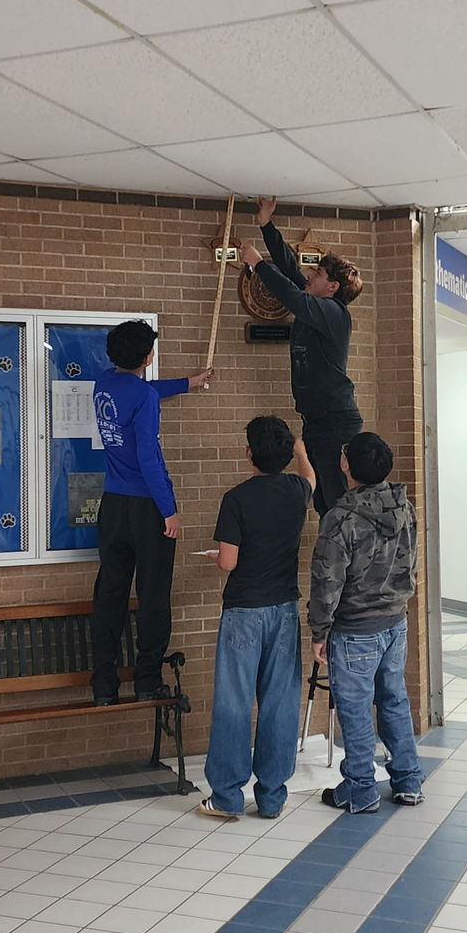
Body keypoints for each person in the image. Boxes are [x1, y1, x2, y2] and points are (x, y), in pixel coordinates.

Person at [91, 319, 212, 707]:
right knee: (154, 596)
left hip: (112, 506)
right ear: (148, 356)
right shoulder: (141, 397)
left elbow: (144, 390)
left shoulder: (104, 383)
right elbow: (149, 457)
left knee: (110, 594)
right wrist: (169, 511)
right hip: (147, 508)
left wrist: (187, 382)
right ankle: (147, 680)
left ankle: (104, 686)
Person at [199, 416, 315, 820]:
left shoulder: (237, 498)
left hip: (243, 610)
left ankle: (227, 796)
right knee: (280, 702)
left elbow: (228, 562)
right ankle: (271, 796)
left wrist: (218, 557)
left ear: (249, 453)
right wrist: (300, 451)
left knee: (234, 700)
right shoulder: (297, 490)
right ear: (286, 453)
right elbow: (311, 478)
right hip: (284, 609)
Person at [309, 431, 425, 813]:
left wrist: (319, 631)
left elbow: (328, 581)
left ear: (346, 465)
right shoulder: (404, 506)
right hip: (396, 620)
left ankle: (360, 787)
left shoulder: (340, 518)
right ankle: (407, 779)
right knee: (394, 699)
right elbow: (412, 560)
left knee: (355, 708)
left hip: (356, 628)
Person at [240, 196, 363, 516]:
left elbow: (292, 295)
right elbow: (289, 268)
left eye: (318, 272)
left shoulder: (333, 313)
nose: (310, 274)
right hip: (317, 421)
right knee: (323, 503)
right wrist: (266, 225)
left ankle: (347, 565)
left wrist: (257, 263)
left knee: (339, 504)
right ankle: (334, 563)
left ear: (333, 286)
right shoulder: (315, 302)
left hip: (336, 423)